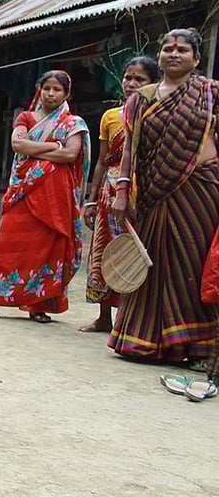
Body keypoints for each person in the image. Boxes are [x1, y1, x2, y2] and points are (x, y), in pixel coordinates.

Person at [109, 29, 219, 368]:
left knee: (191, 261)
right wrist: (122, 191)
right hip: (153, 191)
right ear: (159, 56)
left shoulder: (211, 93)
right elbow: (130, 148)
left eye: (182, 50)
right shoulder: (141, 97)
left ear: (196, 58)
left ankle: (197, 344)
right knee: (153, 261)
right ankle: (146, 341)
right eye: (167, 48)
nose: (174, 54)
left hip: (201, 188)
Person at [0, 70, 90, 323]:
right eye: (47, 88)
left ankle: (38, 305)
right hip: (22, 191)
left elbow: (70, 155)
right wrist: (52, 147)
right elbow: (18, 146)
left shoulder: (73, 123)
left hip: (55, 195)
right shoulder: (25, 117)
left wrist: (36, 151)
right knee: (6, 244)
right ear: (39, 90)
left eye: (57, 89)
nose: (51, 93)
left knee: (47, 248)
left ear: (66, 94)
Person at [79, 56, 159, 333]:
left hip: (143, 191)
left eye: (140, 79)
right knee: (104, 249)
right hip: (108, 194)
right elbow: (102, 161)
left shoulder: (156, 115)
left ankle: (130, 320)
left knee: (136, 251)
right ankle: (104, 317)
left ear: (153, 84)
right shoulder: (110, 117)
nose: (132, 84)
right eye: (128, 77)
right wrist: (90, 200)